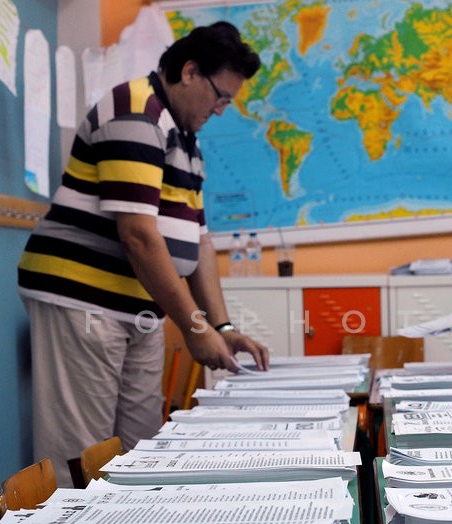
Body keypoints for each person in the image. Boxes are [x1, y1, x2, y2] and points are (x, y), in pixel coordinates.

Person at [17, 22, 269, 486]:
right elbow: (138, 236)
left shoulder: (185, 137)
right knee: (83, 455)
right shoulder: (136, 112)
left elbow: (199, 241)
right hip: (83, 298)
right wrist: (195, 328)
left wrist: (221, 327)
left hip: (140, 307)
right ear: (189, 72)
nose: (220, 110)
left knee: (141, 449)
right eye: (220, 97)